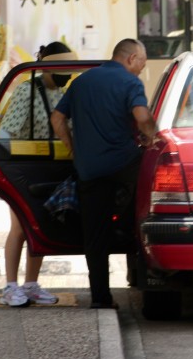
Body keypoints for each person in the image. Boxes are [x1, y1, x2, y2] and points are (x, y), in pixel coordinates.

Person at [50, 39, 161, 309]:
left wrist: (74, 149)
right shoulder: (129, 82)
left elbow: (56, 119)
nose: (140, 71)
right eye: (141, 65)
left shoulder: (81, 82)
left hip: (89, 170)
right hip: (124, 166)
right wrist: (153, 138)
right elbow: (142, 116)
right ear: (131, 58)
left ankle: (100, 298)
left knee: (95, 236)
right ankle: (145, 273)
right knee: (145, 218)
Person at [0, 41, 77, 307]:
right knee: (20, 226)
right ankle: (10, 287)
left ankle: (31, 285)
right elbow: (7, 131)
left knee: (40, 224)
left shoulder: (66, 92)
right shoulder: (27, 91)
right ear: (47, 67)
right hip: (24, 167)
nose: (66, 76)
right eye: (62, 69)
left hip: (52, 166)